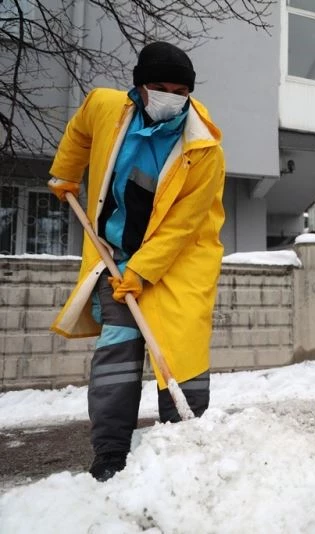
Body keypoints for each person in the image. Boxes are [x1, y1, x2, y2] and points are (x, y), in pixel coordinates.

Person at [47, 42, 226, 481]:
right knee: (117, 355)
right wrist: (66, 171)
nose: (171, 98)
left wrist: (143, 272)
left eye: (181, 92)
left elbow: (181, 226)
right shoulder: (105, 107)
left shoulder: (203, 149)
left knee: (181, 348)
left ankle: (183, 444)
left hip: (181, 260)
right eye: (161, 88)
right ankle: (110, 452)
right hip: (115, 255)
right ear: (139, 86)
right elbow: (79, 131)